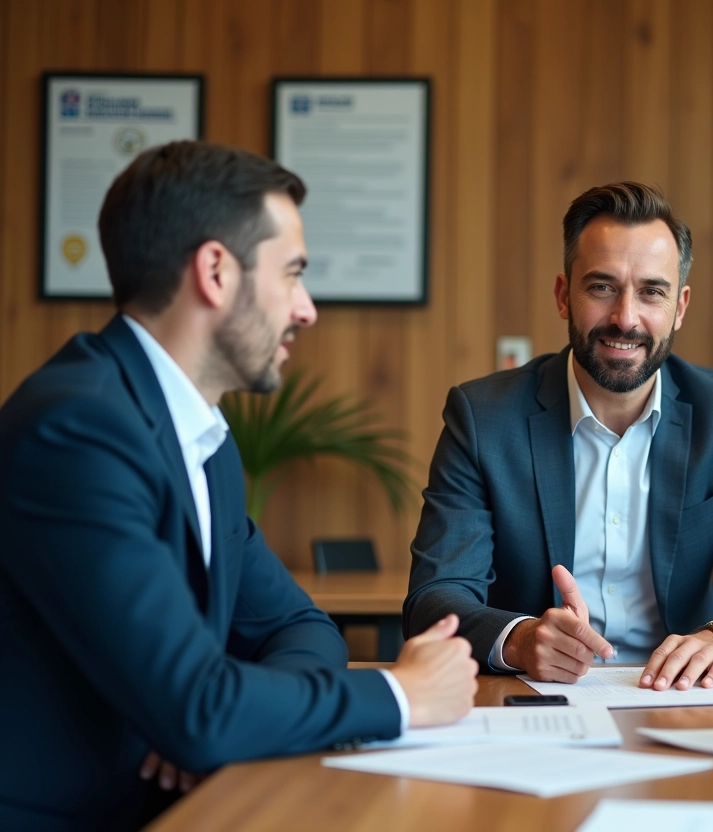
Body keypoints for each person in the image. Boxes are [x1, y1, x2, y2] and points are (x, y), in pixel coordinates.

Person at [0, 141, 478, 831]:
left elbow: (300, 627)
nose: (307, 309)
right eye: (292, 274)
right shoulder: (78, 431)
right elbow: (200, 711)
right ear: (216, 272)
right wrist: (401, 693)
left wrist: (225, 721)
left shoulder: (204, 438)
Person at [406, 181, 713, 690]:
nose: (626, 318)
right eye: (601, 287)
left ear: (681, 306)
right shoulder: (484, 417)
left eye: (652, 291)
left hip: (685, 699)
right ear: (564, 296)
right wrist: (518, 639)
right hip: (537, 698)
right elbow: (435, 597)